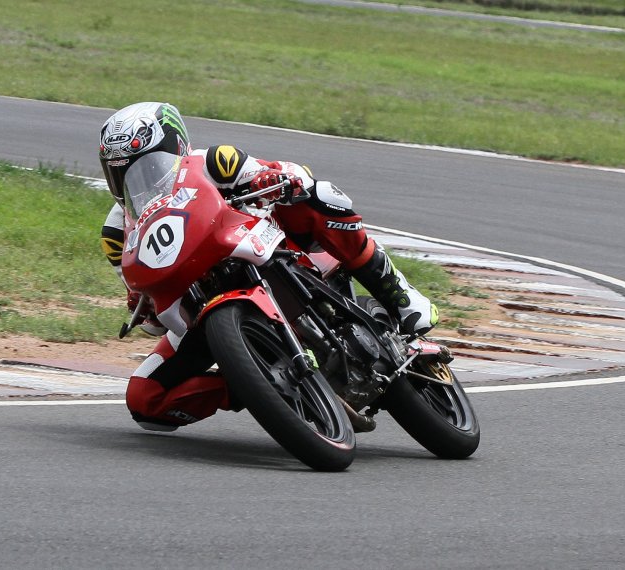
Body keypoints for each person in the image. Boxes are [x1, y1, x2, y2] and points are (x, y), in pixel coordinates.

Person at [99, 102, 438, 431]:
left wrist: (271, 179)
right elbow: (149, 313)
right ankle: (259, 384)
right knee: (146, 397)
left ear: (177, 149)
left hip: (273, 251)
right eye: (121, 171)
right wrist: (143, 307)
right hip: (202, 306)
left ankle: (398, 293)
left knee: (319, 195)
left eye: (149, 165)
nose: (136, 178)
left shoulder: (215, 162)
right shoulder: (117, 233)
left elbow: (296, 174)